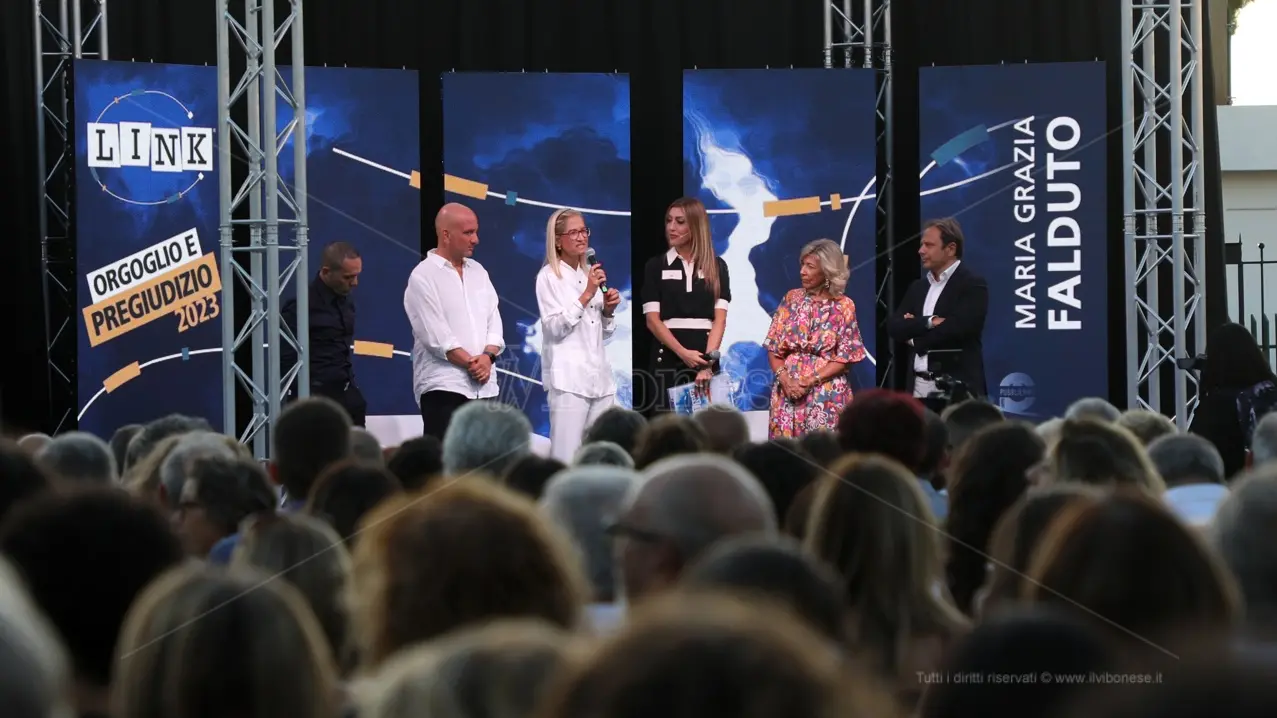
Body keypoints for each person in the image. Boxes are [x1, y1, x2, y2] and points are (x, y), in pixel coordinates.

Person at [404, 203, 504, 440]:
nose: (476, 239)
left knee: (483, 459)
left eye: (476, 231)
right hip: (444, 387)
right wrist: (473, 364)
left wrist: (487, 358)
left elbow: (494, 321)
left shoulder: (479, 272)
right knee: (445, 459)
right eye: (468, 233)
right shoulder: (423, 276)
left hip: (484, 387)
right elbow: (436, 336)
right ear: (446, 235)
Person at [536, 208, 622, 462]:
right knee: (566, 457)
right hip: (569, 381)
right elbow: (554, 328)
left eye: (584, 231)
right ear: (557, 240)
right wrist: (586, 295)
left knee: (602, 455)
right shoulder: (548, 277)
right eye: (573, 232)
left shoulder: (589, 274)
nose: (581, 237)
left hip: (600, 378)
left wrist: (608, 311)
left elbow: (604, 334)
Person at [763, 239, 866, 439]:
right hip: (787, 391)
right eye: (802, 265)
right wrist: (786, 380)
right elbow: (773, 347)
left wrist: (808, 381)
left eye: (810, 267)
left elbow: (845, 357)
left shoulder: (844, 305)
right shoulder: (791, 298)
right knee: (785, 451)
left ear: (827, 271)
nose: (802, 271)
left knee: (822, 451)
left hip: (825, 393)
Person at [640, 197, 731, 414]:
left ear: (696, 225)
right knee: (665, 426)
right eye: (668, 220)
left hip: (705, 358)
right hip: (667, 357)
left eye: (680, 222)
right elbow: (652, 321)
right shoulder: (656, 266)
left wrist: (707, 364)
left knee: (706, 426)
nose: (671, 227)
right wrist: (682, 353)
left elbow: (719, 320)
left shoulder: (717, 266)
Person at [887, 217, 989, 405]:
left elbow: (958, 328)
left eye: (929, 245)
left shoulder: (972, 284)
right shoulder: (918, 287)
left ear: (950, 249)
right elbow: (894, 326)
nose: (921, 250)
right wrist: (930, 321)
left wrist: (914, 338)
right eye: (921, 245)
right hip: (917, 388)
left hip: (957, 394)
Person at [281, 241, 367, 426]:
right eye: (348, 277)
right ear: (326, 272)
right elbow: (286, 361)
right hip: (314, 401)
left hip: (347, 394)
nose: (355, 283)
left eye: (356, 276)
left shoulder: (347, 302)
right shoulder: (300, 307)